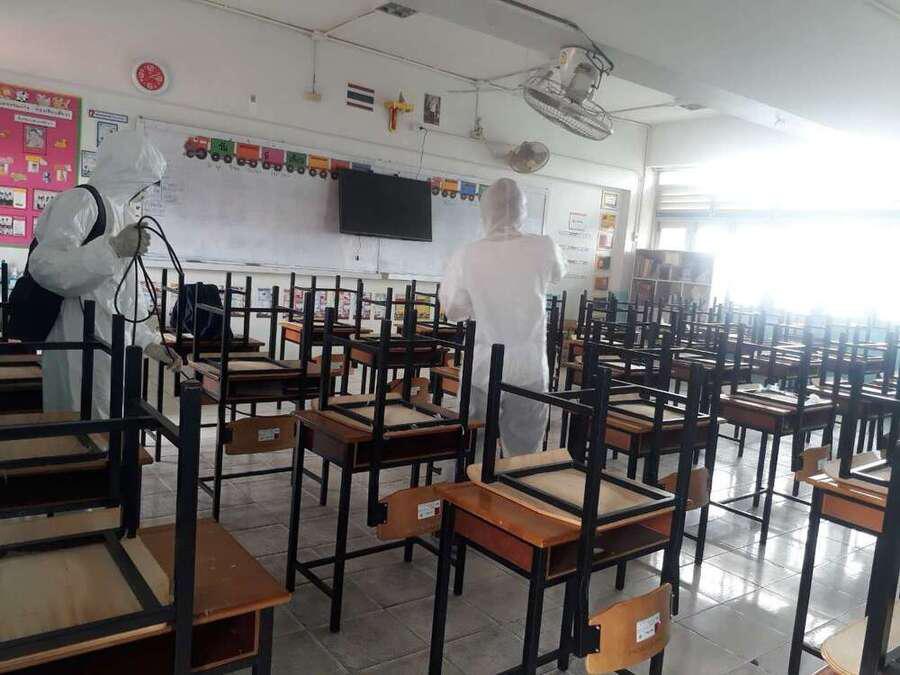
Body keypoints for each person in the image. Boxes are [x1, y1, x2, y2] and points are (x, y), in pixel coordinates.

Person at [29, 129, 179, 417]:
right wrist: (112, 249)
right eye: (144, 182)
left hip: (111, 343)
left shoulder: (123, 213)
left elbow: (124, 293)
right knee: (78, 422)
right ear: (127, 172)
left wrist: (149, 342)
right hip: (76, 337)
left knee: (107, 420)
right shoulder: (80, 202)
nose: (146, 190)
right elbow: (45, 266)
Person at [440, 178, 567, 456]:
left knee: (470, 442)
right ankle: (515, 484)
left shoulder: (467, 254)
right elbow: (558, 274)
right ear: (523, 210)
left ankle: (470, 483)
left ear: (485, 211)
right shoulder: (544, 246)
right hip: (529, 366)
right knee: (524, 452)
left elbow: (453, 310)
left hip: (483, 363)